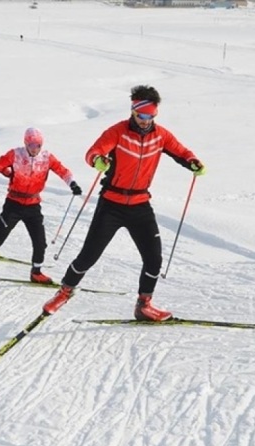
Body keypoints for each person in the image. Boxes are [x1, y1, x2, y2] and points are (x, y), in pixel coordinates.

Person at [42, 85, 206, 321]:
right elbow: (93, 152)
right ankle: (64, 292)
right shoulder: (117, 132)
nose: (145, 121)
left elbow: (181, 151)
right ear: (133, 111)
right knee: (89, 255)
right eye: (141, 115)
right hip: (112, 204)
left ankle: (144, 305)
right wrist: (98, 160)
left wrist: (193, 161)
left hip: (140, 204)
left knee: (154, 259)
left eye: (150, 116)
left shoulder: (161, 136)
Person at [0, 128, 81, 283]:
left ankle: (36, 272)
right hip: (13, 203)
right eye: (31, 145)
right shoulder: (16, 154)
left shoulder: (47, 157)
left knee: (40, 241)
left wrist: (72, 184)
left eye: (38, 145)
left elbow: (63, 171)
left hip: (33, 205)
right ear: (26, 143)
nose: (35, 149)